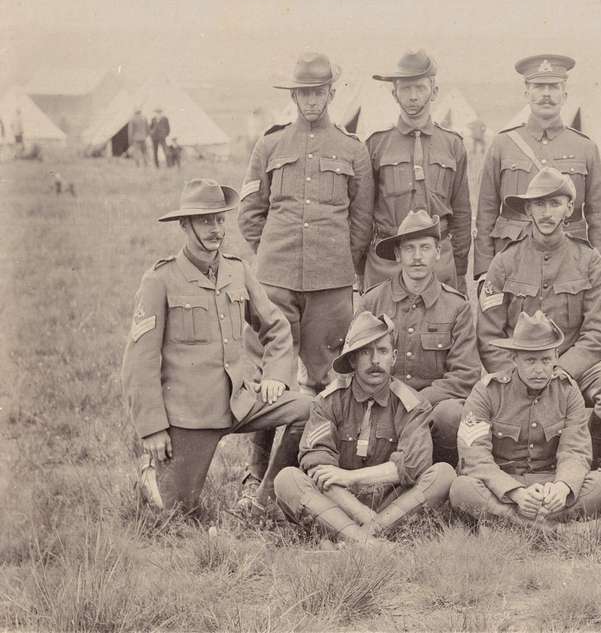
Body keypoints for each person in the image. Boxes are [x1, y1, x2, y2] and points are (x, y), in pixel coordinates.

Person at [121, 179, 310, 514]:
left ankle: (264, 495)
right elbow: (140, 361)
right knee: (177, 514)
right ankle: (152, 471)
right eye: (205, 220)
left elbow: (277, 327)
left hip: (240, 400)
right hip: (190, 415)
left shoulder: (238, 271)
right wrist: (151, 428)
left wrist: (277, 376)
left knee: (307, 408)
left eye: (220, 219)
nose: (215, 229)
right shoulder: (160, 279)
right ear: (185, 225)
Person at [237, 52, 374, 505]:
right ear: (293, 95)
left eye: (319, 92)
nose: (311, 100)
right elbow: (251, 212)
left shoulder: (353, 149)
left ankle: (287, 478)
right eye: (304, 92)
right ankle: (252, 473)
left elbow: (361, 222)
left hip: (331, 285)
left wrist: (334, 262)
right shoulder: (270, 146)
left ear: (331, 93)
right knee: (268, 380)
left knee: (324, 381)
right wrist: (272, 256)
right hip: (275, 281)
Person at [477, 167, 601, 467]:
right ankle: (512, 464)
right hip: (517, 367)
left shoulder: (589, 260)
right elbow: (490, 337)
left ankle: (588, 461)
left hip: (573, 364)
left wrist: (558, 371)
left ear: (569, 208)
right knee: (484, 396)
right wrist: (520, 373)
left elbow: (598, 334)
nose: (547, 213)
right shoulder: (504, 262)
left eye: (555, 203)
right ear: (528, 209)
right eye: (539, 204)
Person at [274, 311, 456, 544]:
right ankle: (371, 541)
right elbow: (319, 468)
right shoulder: (328, 401)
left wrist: (351, 477)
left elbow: (411, 466)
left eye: (382, 351)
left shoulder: (414, 405)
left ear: (394, 356)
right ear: (352, 360)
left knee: (443, 474)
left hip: (392, 501)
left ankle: (352, 539)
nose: (375, 361)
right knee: (287, 479)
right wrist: (363, 515)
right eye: (365, 352)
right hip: (339, 502)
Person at [449, 311, 601, 535]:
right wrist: (515, 493)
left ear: (556, 357)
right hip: (504, 484)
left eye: (546, 360)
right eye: (530, 360)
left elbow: (575, 450)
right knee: (462, 489)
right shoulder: (487, 391)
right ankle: (560, 532)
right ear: (514, 359)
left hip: (549, 482)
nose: (539, 369)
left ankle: (505, 526)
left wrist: (562, 487)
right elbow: (475, 458)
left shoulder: (567, 390)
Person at [359, 209, 480, 465]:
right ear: (397, 254)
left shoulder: (457, 306)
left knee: (452, 415)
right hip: (382, 404)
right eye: (409, 249)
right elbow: (353, 365)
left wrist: (416, 402)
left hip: (432, 408)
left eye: (425, 248)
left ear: (437, 253)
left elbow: (465, 375)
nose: (417, 257)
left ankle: (439, 471)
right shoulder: (372, 301)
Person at [474, 54, 601, 276]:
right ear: (526, 93)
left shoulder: (585, 147)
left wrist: (600, 275)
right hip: (513, 258)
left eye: (553, 87)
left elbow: (600, 220)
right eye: (538, 86)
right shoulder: (502, 144)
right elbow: (485, 215)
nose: (546, 94)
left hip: (570, 261)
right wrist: (483, 273)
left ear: (564, 94)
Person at [364, 51, 472, 292]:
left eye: (420, 88)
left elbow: (462, 213)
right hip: (387, 261)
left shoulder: (452, 144)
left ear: (434, 91)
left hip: (437, 260)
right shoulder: (376, 144)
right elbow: (363, 214)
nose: (413, 96)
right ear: (394, 94)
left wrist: (458, 267)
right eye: (405, 89)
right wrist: (364, 269)